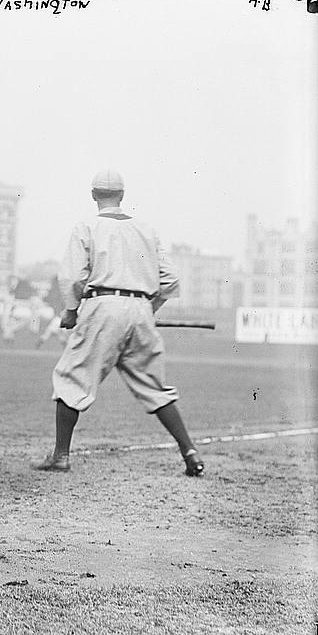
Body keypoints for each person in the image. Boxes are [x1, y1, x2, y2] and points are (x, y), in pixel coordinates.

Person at [33, 170, 203, 477]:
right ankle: (189, 452)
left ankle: (60, 456)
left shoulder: (87, 225)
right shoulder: (146, 230)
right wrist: (149, 308)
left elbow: (72, 276)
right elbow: (170, 280)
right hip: (140, 309)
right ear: (122, 196)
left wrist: (71, 311)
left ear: (94, 195)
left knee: (71, 379)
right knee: (155, 387)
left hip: (103, 306)